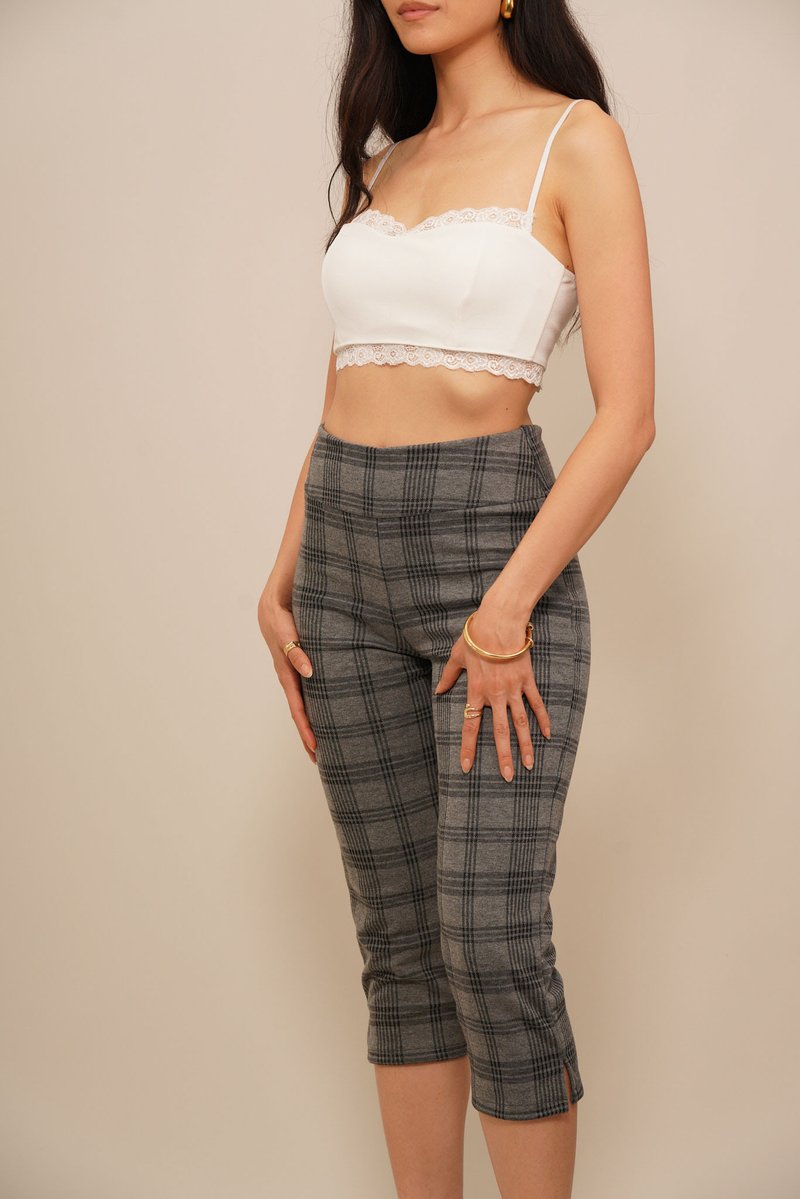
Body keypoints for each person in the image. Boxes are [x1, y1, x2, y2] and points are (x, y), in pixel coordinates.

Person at [258, 2, 655, 1195]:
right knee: (399, 945)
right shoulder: (384, 161)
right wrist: (282, 570)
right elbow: (350, 378)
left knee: (489, 943)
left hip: (493, 555)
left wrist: (504, 608)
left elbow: (627, 416)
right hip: (338, 567)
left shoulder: (575, 141)